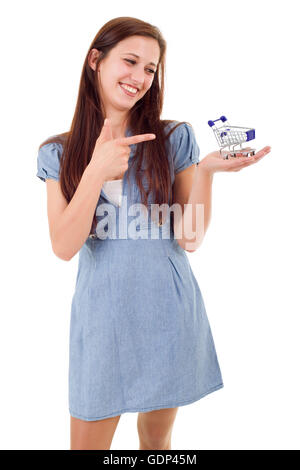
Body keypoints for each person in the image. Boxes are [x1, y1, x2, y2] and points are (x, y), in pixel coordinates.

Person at [36, 17, 271, 450]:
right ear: (95, 60)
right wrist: (96, 171)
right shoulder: (58, 152)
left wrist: (206, 172)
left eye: (150, 68)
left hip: (167, 313)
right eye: (130, 61)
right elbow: (63, 246)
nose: (140, 77)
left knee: (157, 445)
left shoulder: (173, 138)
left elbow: (190, 237)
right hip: (101, 320)